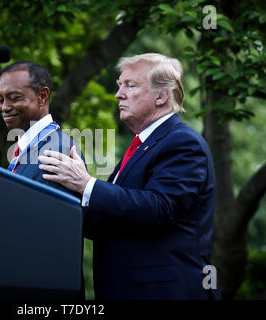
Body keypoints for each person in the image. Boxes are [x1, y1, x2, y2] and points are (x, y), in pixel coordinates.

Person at [38, 53, 221, 300]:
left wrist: (86, 183)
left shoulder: (183, 142)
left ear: (162, 96)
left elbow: (159, 208)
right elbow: (112, 219)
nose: (119, 94)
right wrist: (57, 199)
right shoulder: (141, 147)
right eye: (119, 85)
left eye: (130, 85)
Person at [0, 60, 86, 299]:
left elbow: (48, 240)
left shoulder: (55, 150)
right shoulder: (25, 151)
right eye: (0, 99)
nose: (3, 107)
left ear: (42, 97)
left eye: (13, 97)